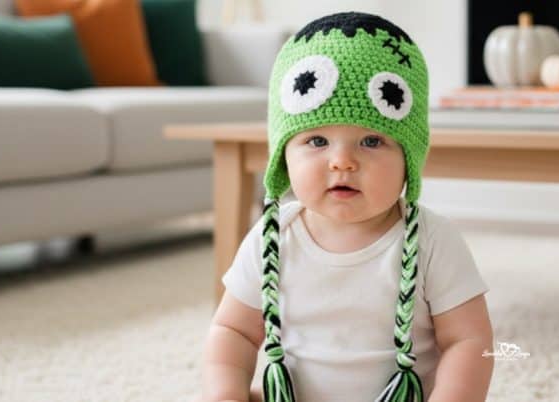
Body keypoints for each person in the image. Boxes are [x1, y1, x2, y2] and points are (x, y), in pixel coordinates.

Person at [201, 11, 493, 402]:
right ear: (283, 156)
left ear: (409, 159)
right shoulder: (272, 237)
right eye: (317, 141)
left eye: (371, 142)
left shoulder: (432, 239)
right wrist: (225, 392)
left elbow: (469, 340)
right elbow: (233, 331)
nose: (342, 162)